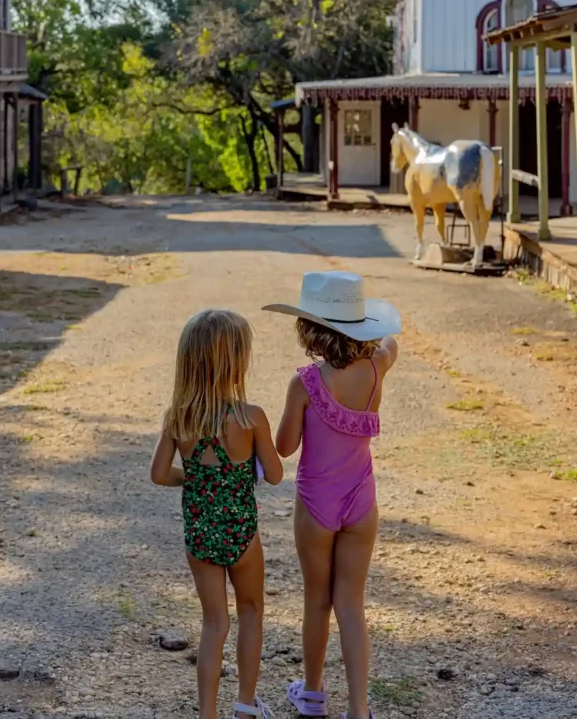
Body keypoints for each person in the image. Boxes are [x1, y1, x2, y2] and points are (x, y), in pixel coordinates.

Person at [264, 272, 400, 719]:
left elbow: (284, 448)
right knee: (351, 603)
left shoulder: (304, 383)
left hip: (317, 505)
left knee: (317, 600)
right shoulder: (378, 368)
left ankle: (313, 693)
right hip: (362, 500)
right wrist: (370, 337)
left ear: (310, 330)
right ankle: (359, 709)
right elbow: (391, 342)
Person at [151, 309, 283, 719]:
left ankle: (207, 713)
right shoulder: (250, 416)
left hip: (200, 537)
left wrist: (192, 479)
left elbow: (158, 475)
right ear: (236, 361)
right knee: (251, 612)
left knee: (214, 625)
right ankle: (245, 706)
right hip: (242, 534)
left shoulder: (178, 417)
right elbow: (276, 475)